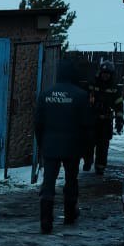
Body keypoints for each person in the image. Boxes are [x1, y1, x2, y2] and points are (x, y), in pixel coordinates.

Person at [34, 56, 93, 234]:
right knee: (71, 181)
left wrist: (41, 144)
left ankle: (46, 220)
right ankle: (69, 214)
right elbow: (87, 126)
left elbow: (38, 123)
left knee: (48, 183)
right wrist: (88, 151)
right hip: (72, 147)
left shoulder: (46, 95)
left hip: (50, 146)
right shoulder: (81, 96)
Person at [83, 61, 124, 174]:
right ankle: (88, 161)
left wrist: (119, 120)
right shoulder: (92, 85)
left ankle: (100, 167)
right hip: (92, 121)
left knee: (103, 146)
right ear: (100, 73)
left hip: (106, 121)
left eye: (108, 73)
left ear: (111, 75)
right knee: (88, 143)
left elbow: (119, 106)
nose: (105, 75)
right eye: (104, 73)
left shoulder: (115, 89)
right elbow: (83, 101)